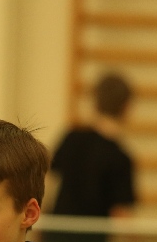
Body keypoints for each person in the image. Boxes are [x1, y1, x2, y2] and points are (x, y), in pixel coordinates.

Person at [49, 71, 136, 220]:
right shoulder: (121, 158)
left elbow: (47, 185)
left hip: (57, 231)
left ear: (96, 102)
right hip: (94, 235)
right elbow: (122, 214)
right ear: (126, 107)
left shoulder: (71, 138)